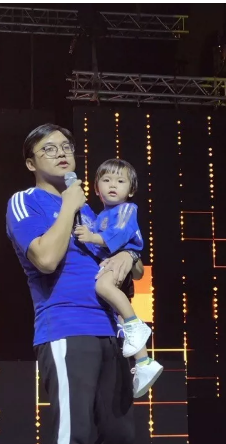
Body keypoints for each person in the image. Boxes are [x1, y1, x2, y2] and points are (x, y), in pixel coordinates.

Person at [6, 124, 161, 444]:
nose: (61, 153)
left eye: (67, 147)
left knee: (120, 435)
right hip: (66, 329)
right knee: (72, 442)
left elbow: (130, 262)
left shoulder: (93, 212)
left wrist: (129, 258)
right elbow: (45, 259)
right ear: (31, 162)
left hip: (108, 331)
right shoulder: (25, 201)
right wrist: (68, 206)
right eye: (49, 149)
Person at [74, 158, 163, 395]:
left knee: (103, 287)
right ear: (96, 188)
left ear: (131, 190)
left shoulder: (127, 209)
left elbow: (119, 234)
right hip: (111, 262)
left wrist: (92, 237)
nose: (113, 185)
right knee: (119, 315)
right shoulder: (102, 214)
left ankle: (136, 325)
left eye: (120, 181)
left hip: (122, 261)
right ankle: (144, 363)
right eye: (106, 180)